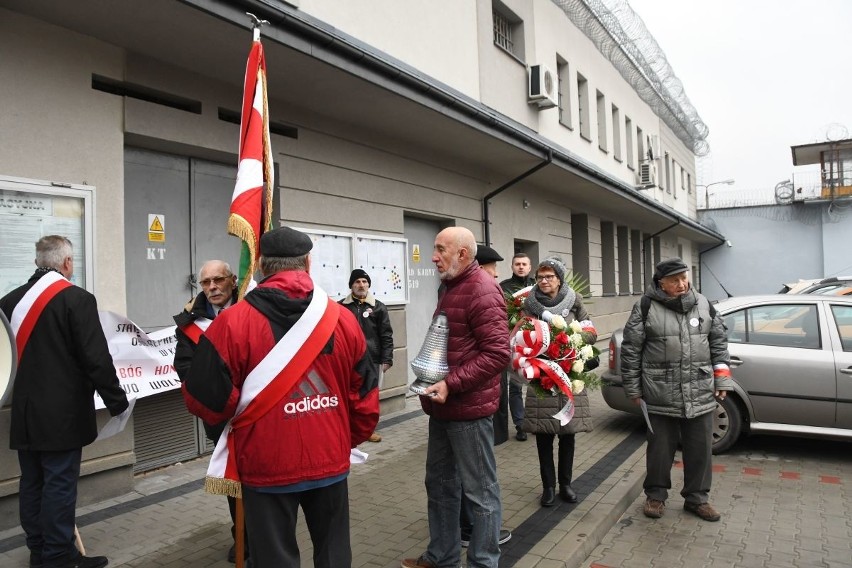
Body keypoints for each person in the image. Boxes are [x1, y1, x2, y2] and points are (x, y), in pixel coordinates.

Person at [182, 226, 379, 568]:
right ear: (307, 262)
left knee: (273, 559)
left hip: (264, 462)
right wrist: (342, 439)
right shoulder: (344, 320)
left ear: (261, 265)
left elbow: (206, 400)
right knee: (334, 554)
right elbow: (365, 394)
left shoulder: (230, 323)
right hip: (329, 459)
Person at [0, 235, 128, 568]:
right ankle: (58, 555)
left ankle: (39, 550)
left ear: (36, 262)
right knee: (58, 482)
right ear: (67, 263)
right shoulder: (77, 299)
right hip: (62, 414)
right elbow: (96, 358)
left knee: (32, 482)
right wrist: (117, 400)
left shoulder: (9, 302)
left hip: (24, 412)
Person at [402, 227, 510, 568]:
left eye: (440, 249)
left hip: (468, 412)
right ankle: (442, 557)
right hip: (444, 409)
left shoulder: (483, 290)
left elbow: (497, 354)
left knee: (480, 494)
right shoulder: (451, 286)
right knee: (440, 485)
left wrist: (451, 383)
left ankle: (483, 561)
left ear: (462, 254)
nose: (433, 256)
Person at [620, 257, 732, 522]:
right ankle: (656, 496)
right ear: (662, 284)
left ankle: (697, 499)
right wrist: (634, 389)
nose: (682, 284)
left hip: (699, 389)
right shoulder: (646, 307)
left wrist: (723, 378)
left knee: (700, 449)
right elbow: (631, 350)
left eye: (684, 278)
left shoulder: (704, 304)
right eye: (674, 280)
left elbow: (719, 343)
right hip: (660, 390)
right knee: (660, 449)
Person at [172, 260, 244, 563]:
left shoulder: (252, 309)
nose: (212, 287)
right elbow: (184, 368)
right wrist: (217, 393)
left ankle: (262, 533)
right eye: (205, 283)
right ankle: (241, 536)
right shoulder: (191, 324)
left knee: (260, 475)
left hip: (256, 413)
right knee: (232, 478)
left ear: (232, 280)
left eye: (218, 280)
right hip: (220, 416)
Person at [519, 258, 596, 507]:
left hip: (569, 375)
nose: (544, 281)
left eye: (549, 276)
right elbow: (520, 335)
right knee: (544, 434)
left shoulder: (575, 300)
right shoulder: (529, 305)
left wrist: (573, 339)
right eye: (540, 277)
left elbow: (591, 331)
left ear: (559, 279)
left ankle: (566, 484)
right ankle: (548, 487)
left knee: (567, 433)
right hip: (542, 375)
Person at [339, 268, 394, 443]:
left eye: (364, 282)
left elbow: (386, 334)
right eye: (357, 282)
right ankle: (347, 429)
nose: (361, 285)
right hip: (349, 360)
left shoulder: (378, 307)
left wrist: (387, 358)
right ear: (351, 286)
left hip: (373, 359)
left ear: (368, 284)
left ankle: (368, 430)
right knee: (348, 395)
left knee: (370, 396)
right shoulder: (341, 306)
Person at [499, 253, 535, 441]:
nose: (521, 267)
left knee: (537, 383)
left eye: (524, 264)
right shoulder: (503, 288)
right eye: (517, 264)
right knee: (515, 385)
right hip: (513, 342)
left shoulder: (538, 287)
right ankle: (520, 424)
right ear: (512, 266)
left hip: (535, 342)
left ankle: (536, 420)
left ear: (530, 267)